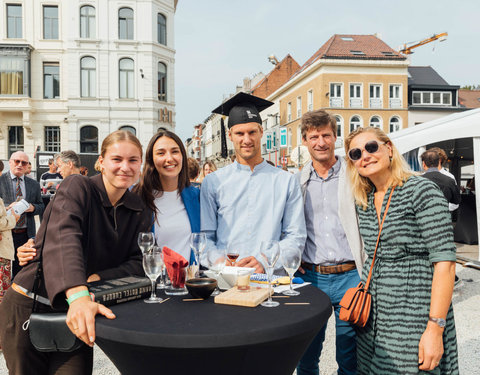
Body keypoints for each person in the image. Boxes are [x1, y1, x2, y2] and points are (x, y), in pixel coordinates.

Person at [0, 130, 153, 374]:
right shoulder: (77, 186)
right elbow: (64, 238)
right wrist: (79, 294)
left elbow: (139, 262)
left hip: (75, 308)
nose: (125, 167)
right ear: (100, 162)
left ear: (140, 165)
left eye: (133, 160)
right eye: (117, 159)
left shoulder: (139, 209)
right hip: (30, 304)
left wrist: (97, 279)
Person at [344, 127, 458, 374]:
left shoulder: (421, 190)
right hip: (372, 315)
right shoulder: (363, 200)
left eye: (371, 147)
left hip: (413, 308)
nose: (365, 155)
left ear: (389, 149)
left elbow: (445, 263)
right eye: (355, 153)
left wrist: (435, 328)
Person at [201, 92, 306, 272]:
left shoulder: (285, 181)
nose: (247, 140)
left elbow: (295, 236)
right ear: (230, 135)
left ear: (261, 132)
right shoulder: (213, 182)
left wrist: (265, 262)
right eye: (240, 133)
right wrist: (221, 262)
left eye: (252, 132)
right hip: (227, 278)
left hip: (270, 279)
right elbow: (205, 237)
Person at [296, 110, 364, 375]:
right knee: (306, 353)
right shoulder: (298, 181)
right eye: (314, 137)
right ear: (304, 141)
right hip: (313, 277)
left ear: (336, 137)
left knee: (349, 356)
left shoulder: (355, 175)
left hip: (350, 276)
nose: (320, 142)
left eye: (326, 135)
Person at [135, 130, 200, 263]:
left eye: (175, 151)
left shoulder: (196, 197)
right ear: (151, 160)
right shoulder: (138, 198)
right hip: (154, 281)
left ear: (182, 156)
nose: (169, 158)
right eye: (161, 153)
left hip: (190, 280)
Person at [0, 151, 44, 277]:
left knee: (22, 270)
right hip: (5, 234)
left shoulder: (34, 184)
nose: (20, 165)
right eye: (16, 161)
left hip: (25, 234)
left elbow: (41, 206)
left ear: (27, 166)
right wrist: (10, 207)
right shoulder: (1, 180)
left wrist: (32, 208)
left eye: (23, 163)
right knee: (5, 272)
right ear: (10, 162)